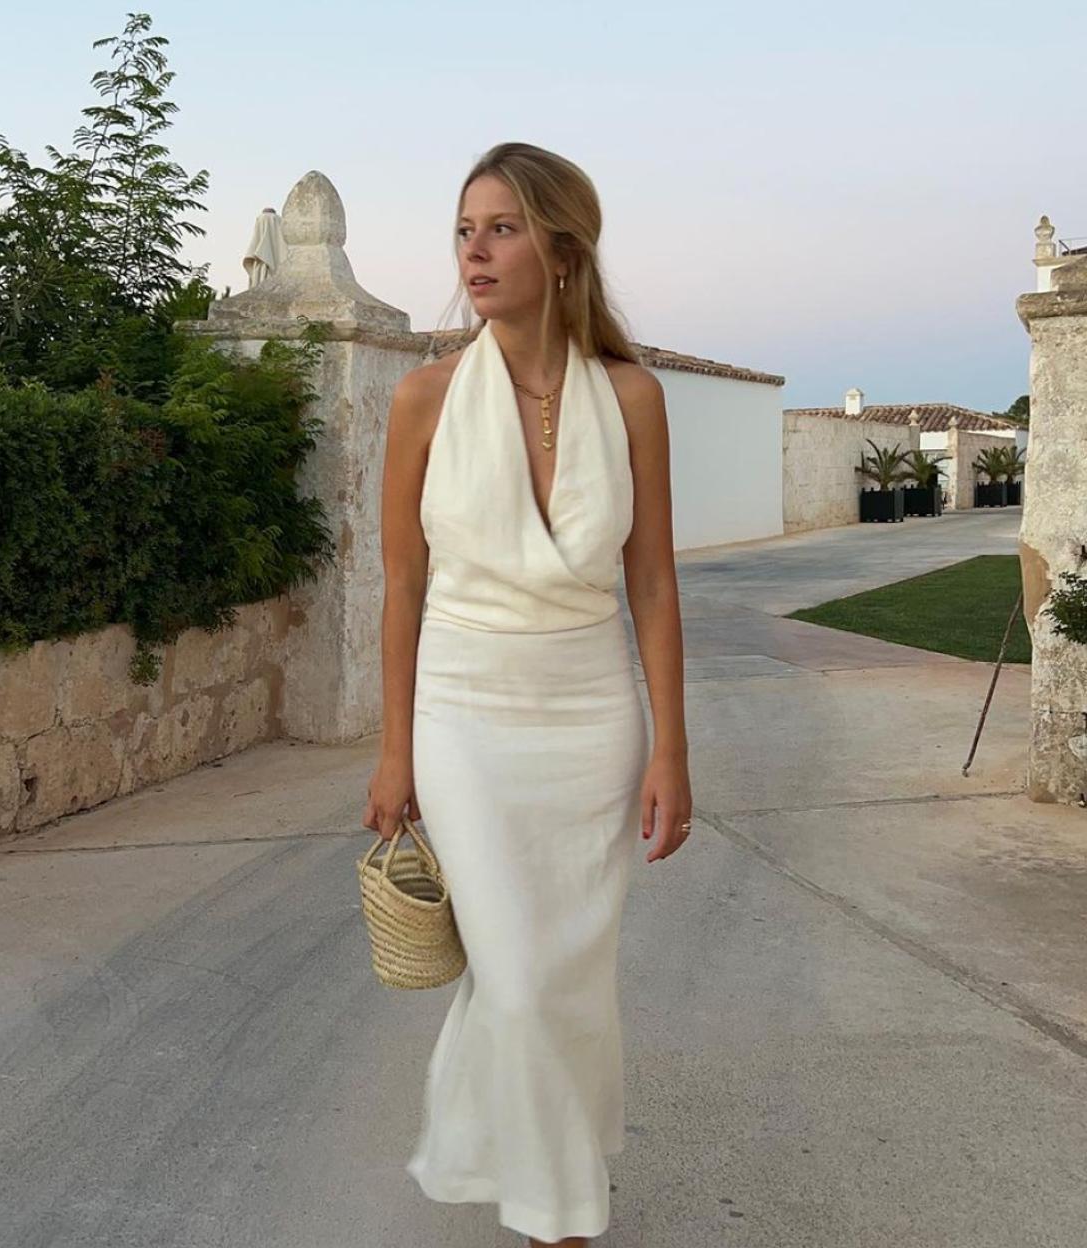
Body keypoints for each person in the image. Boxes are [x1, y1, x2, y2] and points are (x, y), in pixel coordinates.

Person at [362, 141, 691, 1247]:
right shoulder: (422, 398)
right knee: (509, 978)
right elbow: (401, 587)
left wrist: (670, 751)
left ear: (562, 249)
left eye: (500, 228)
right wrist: (393, 752)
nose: (474, 250)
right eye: (465, 228)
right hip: (461, 713)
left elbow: (651, 586)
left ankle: (547, 1173)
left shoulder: (634, 398)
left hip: (591, 718)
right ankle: (563, 1219)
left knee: (562, 979)